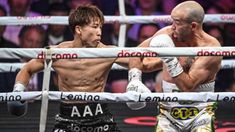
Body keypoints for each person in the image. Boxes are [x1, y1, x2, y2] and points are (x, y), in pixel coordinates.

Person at [8, 4, 129, 132]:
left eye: (100, 27)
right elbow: (27, 69)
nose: (99, 32)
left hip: (101, 118)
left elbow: (138, 60)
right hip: (67, 120)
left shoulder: (107, 52)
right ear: (78, 30)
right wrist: (18, 91)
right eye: (95, 27)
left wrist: (135, 79)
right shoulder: (57, 53)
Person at [126, 1, 222, 131]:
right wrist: (135, 79)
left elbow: (187, 86)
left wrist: (169, 58)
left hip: (200, 113)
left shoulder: (211, 48)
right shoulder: (167, 34)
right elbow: (136, 53)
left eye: (177, 22)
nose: (172, 27)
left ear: (193, 26)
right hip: (168, 114)